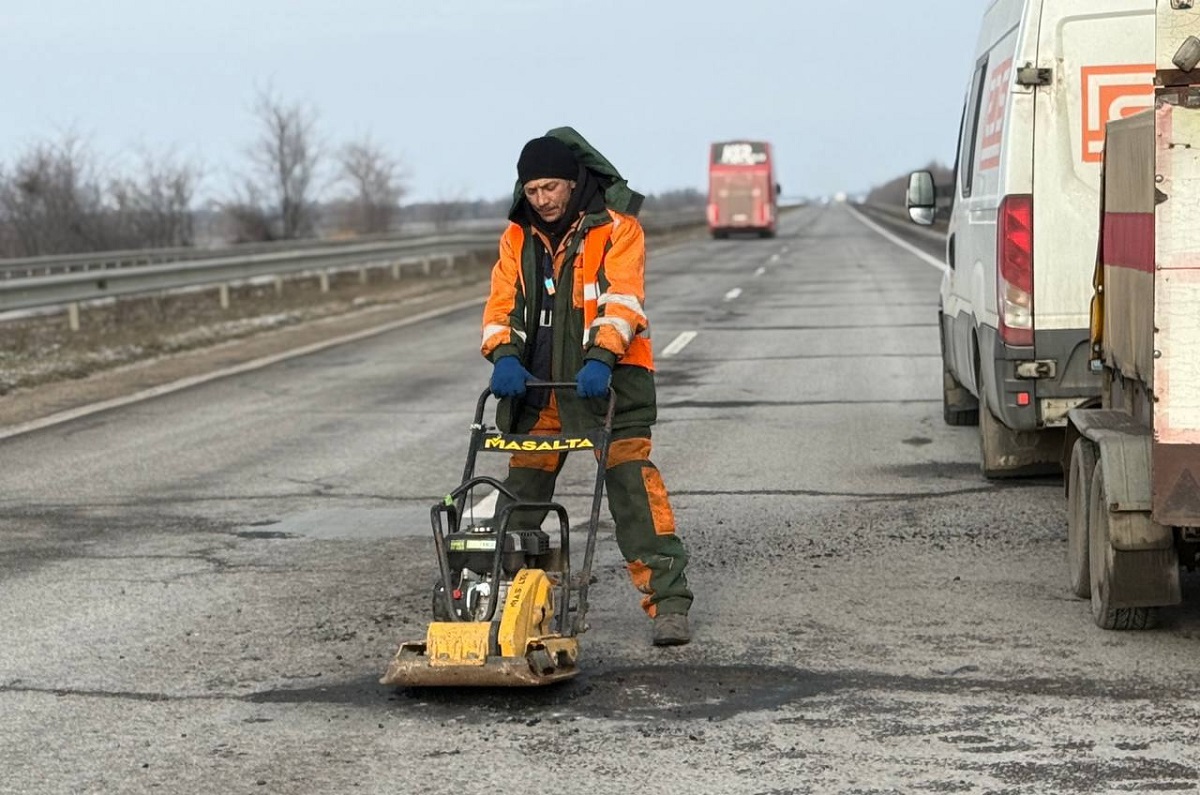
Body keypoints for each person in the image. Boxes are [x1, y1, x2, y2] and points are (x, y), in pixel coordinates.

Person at [480, 128, 693, 647]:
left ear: (573, 183)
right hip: (539, 393)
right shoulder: (517, 238)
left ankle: (668, 604)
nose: (542, 200)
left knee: (633, 495)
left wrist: (600, 358)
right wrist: (504, 355)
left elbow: (622, 300)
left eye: (550, 188)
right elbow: (500, 307)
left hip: (608, 388)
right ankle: (510, 601)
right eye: (531, 192)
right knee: (521, 498)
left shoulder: (618, 229)